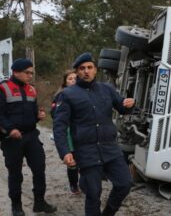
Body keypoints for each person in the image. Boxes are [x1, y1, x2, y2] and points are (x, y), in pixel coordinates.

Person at [53, 53, 134, 216]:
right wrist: (65, 152)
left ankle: (108, 213)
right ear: (77, 72)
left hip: (110, 149)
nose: (86, 71)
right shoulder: (67, 95)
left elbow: (121, 107)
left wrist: (127, 105)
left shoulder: (107, 89)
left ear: (95, 70)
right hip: (86, 152)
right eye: (82, 68)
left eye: (89, 67)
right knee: (93, 194)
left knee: (125, 184)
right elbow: (59, 126)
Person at [0, 58, 57, 216]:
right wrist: (10, 129)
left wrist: (39, 115)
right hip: (11, 139)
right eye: (27, 72)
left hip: (32, 136)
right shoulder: (3, 88)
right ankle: (16, 206)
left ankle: (39, 203)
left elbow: (33, 111)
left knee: (39, 169)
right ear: (16, 72)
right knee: (15, 174)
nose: (30, 75)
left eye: (32, 73)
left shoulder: (32, 89)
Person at [50, 69, 80, 194]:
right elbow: (54, 114)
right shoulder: (60, 95)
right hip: (68, 132)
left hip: (82, 131)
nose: (73, 81)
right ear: (65, 82)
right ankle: (73, 185)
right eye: (70, 79)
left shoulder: (85, 93)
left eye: (75, 78)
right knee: (72, 158)